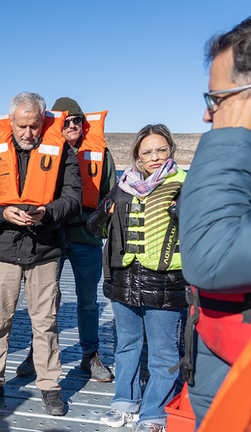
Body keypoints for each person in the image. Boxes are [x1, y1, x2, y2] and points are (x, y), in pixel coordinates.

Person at [0, 92, 82, 416]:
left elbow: (73, 196)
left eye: (34, 126)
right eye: (22, 126)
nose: (28, 133)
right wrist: (1, 214)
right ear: (11, 122)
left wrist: (48, 211)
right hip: (2, 249)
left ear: (43, 122)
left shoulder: (62, 151)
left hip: (44, 250)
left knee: (45, 323)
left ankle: (49, 385)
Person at [87, 124, 187, 432]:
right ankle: (125, 404)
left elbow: (206, 228)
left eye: (161, 150)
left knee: (163, 353)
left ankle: (154, 413)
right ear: (137, 156)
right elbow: (95, 228)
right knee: (126, 345)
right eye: (147, 152)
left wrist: (182, 212)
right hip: (123, 281)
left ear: (171, 151)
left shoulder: (185, 184)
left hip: (166, 283)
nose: (154, 157)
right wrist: (106, 211)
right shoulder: (123, 185)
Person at [179, 15, 251, 429]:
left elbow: (211, 255)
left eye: (216, 100)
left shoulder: (230, 146)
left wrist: (229, 136)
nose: (208, 117)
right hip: (219, 369)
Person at [16, 98, 116, 382]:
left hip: (86, 238)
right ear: (57, 124)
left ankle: (89, 355)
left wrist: (102, 230)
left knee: (88, 301)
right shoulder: (44, 150)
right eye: (67, 121)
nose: (72, 126)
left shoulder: (101, 153)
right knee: (45, 301)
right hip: (52, 236)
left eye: (78, 121)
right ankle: (39, 354)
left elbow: (110, 194)